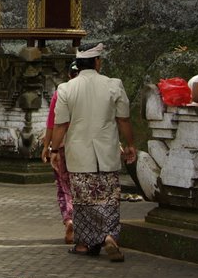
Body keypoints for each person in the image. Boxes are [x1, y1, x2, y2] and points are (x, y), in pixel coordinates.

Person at [49, 42, 137, 262]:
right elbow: (123, 119)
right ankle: (109, 235)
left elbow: (60, 125)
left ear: (78, 64)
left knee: (83, 200)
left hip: (79, 154)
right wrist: (130, 144)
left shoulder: (66, 89)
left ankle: (84, 243)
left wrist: (53, 149)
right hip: (106, 152)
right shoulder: (113, 85)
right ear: (98, 62)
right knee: (109, 198)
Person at [41, 62, 79, 244]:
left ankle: (69, 219)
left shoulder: (61, 92)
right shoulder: (90, 93)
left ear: (70, 75)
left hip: (62, 144)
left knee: (64, 187)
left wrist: (48, 146)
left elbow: (52, 123)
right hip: (84, 147)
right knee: (82, 185)